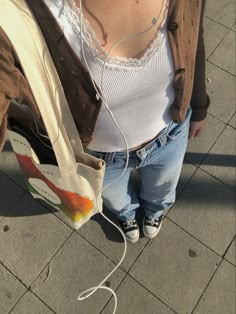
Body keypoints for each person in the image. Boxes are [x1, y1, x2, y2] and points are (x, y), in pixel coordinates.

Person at [0, 0, 209, 243]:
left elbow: (193, 37)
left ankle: (155, 211)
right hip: (99, 158)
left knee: (162, 189)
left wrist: (200, 105)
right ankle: (126, 214)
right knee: (115, 198)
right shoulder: (16, 12)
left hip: (170, 134)